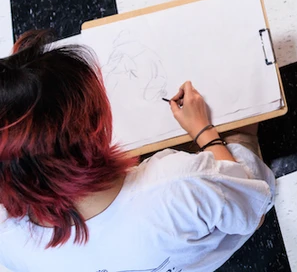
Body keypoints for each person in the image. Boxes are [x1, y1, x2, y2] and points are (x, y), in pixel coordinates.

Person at [0, 30, 274, 272]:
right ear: (95, 127)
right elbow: (254, 213)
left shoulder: (7, 239)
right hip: (206, 241)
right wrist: (204, 131)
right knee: (242, 125)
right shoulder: (178, 181)